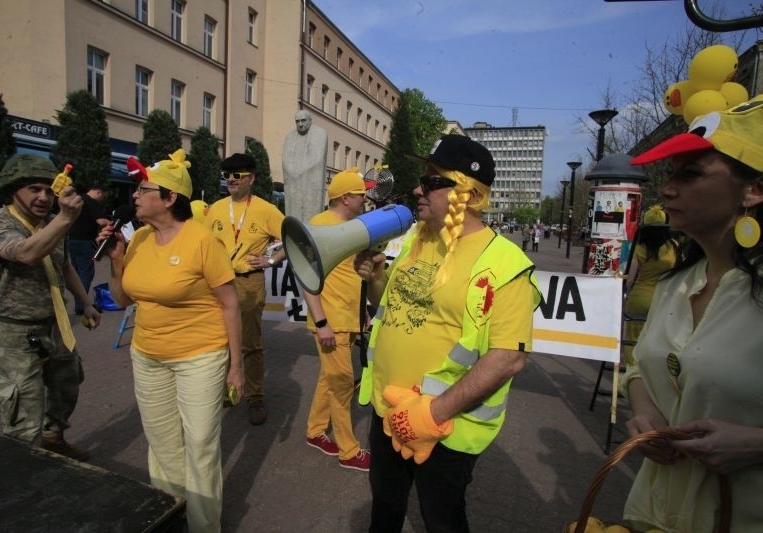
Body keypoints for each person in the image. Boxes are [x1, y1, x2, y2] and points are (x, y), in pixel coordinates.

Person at [355, 135, 540, 531]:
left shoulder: (506, 263)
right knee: (385, 506)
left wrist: (431, 415)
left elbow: (508, 358)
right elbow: (386, 311)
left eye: (434, 181)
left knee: (442, 519)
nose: (418, 188)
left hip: (444, 427)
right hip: (389, 411)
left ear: (469, 195)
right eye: (423, 178)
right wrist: (373, 279)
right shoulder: (417, 241)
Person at [622, 99, 763, 532]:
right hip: (657, 514)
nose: (667, 189)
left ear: (753, 189)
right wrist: (642, 413)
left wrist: (757, 445)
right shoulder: (675, 284)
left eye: (691, 174)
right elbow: (638, 368)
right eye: (669, 175)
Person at [101, 149, 243, 533]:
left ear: (169, 198)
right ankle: (167, 514)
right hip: (147, 356)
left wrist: (236, 367)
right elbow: (122, 299)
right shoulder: (140, 239)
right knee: (162, 444)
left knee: (200, 443)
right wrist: (116, 261)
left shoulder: (202, 241)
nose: (135, 195)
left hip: (200, 355)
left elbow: (231, 305)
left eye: (143, 188)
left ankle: (202, 524)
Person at [0, 154, 102, 461]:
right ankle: (22, 464)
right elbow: (27, 254)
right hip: (14, 329)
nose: (43, 197)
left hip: (54, 323)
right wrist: (65, 218)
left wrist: (86, 303)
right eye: (33, 189)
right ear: (13, 189)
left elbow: (64, 265)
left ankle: (53, 438)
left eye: (47, 190)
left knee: (66, 383)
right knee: (22, 402)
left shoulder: (50, 225)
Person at [205, 153, 286, 425]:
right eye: (227, 175)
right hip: (218, 282)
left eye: (237, 175)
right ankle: (228, 390)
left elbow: (295, 238)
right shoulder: (215, 208)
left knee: (250, 344)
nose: (230, 180)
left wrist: (272, 259)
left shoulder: (266, 209)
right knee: (220, 340)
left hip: (248, 280)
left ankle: (254, 397)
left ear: (251, 179)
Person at [302, 168, 372, 472]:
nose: (365, 200)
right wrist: (321, 323)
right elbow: (308, 280)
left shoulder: (351, 225)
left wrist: (364, 312)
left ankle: (315, 431)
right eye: (361, 195)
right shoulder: (319, 226)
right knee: (342, 384)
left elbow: (352, 275)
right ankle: (348, 450)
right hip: (331, 322)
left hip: (348, 318)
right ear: (346, 198)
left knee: (328, 379)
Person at [622, 205, 679, 366]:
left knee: (632, 338)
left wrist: (625, 290)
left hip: (640, 297)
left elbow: (630, 279)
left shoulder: (640, 248)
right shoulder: (674, 247)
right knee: (657, 338)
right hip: (664, 298)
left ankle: (631, 373)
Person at [68, 185, 109, 314]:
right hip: (85, 242)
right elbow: (102, 221)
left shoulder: (78, 199)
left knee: (76, 274)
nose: (103, 199)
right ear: (98, 191)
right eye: (103, 196)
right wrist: (112, 223)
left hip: (71, 240)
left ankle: (79, 303)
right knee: (86, 274)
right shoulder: (91, 202)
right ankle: (82, 305)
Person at [282, 109, 328, 221]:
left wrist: (300, 172)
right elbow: (285, 159)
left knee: (311, 214)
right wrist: (292, 172)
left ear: (310, 121)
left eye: (303, 121)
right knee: (294, 211)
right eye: (297, 121)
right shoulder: (290, 137)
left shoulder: (320, 134)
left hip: (310, 184)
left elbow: (318, 158)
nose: (300, 124)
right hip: (293, 182)